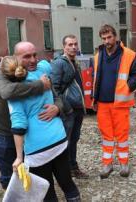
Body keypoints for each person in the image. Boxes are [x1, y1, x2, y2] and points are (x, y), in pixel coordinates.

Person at [0, 55, 80, 202]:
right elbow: (47, 62)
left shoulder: (14, 94)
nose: (33, 59)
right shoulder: (42, 71)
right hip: (58, 138)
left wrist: (19, 157)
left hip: (37, 149)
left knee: (47, 190)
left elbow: (19, 125)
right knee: (67, 183)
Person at [0, 41, 61, 190]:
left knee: (31, 171)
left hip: (29, 133)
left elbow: (56, 96)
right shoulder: (3, 72)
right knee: (10, 173)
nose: (33, 60)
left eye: (35, 55)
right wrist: (40, 85)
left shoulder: (40, 71)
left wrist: (57, 108)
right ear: (15, 57)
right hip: (4, 132)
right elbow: (8, 92)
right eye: (27, 56)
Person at [92, 24, 136, 178]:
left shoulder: (129, 54)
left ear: (115, 37)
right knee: (106, 136)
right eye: (104, 38)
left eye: (109, 37)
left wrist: (128, 86)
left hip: (120, 103)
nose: (107, 41)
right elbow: (96, 78)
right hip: (102, 103)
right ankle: (107, 165)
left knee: (121, 135)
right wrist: (93, 99)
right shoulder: (98, 56)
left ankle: (124, 164)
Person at [50, 35, 88, 179]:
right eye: (70, 44)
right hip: (68, 110)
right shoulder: (59, 63)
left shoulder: (74, 62)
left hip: (77, 109)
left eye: (75, 44)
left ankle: (73, 167)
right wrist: (66, 108)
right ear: (64, 46)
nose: (73, 47)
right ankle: (64, 172)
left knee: (74, 139)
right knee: (66, 142)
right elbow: (55, 89)